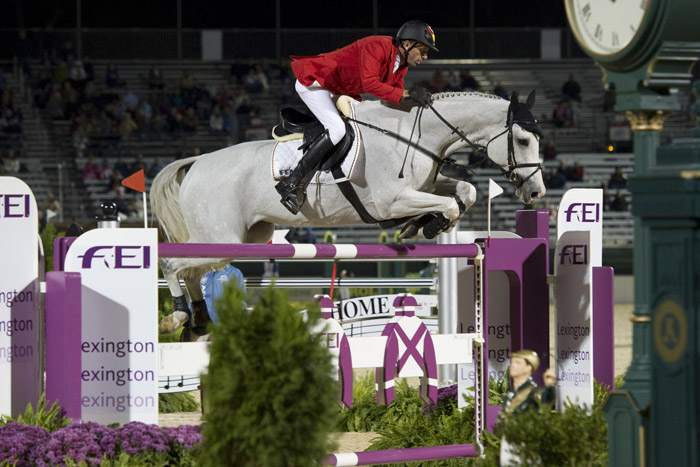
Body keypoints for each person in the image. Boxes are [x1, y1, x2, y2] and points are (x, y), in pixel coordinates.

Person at [275, 20, 438, 215]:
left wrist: (415, 103)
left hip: (339, 90)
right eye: (423, 51)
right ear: (407, 44)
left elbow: (395, 95)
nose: (425, 57)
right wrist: (407, 95)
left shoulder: (401, 65)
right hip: (316, 83)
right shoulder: (377, 46)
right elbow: (370, 84)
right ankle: (291, 181)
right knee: (337, 129)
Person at [500, 349, 556, 466]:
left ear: (528, 368)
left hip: (525, 441)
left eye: (518, 363)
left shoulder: (533, 392)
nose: (513, 366)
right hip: (509, 441)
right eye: (512, 362)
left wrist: (549, 386)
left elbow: (546, 400)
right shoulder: (510, 394)